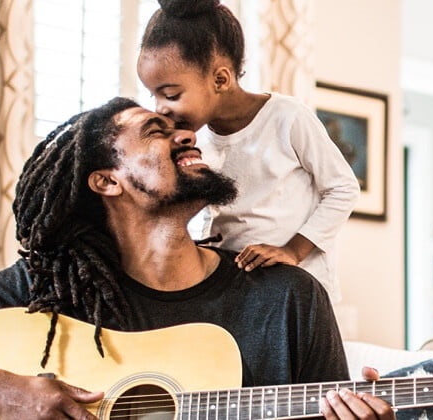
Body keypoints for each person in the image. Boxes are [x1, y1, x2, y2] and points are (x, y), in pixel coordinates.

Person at [0, 98, 394, 420]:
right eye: (156, 130)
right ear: (106, 181)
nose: (187, 136)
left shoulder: (285, 296)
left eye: (181, 128)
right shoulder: (50, 289)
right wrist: (3, 391)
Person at [137, 0, 360, 302]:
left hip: (299, 290)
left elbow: (343, 188)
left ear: (220, 79)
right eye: (154, 96)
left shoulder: (287, 117)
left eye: (171, 94)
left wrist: (292, 251)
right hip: (238, 290)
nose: (160, 108)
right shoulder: (194, 142)